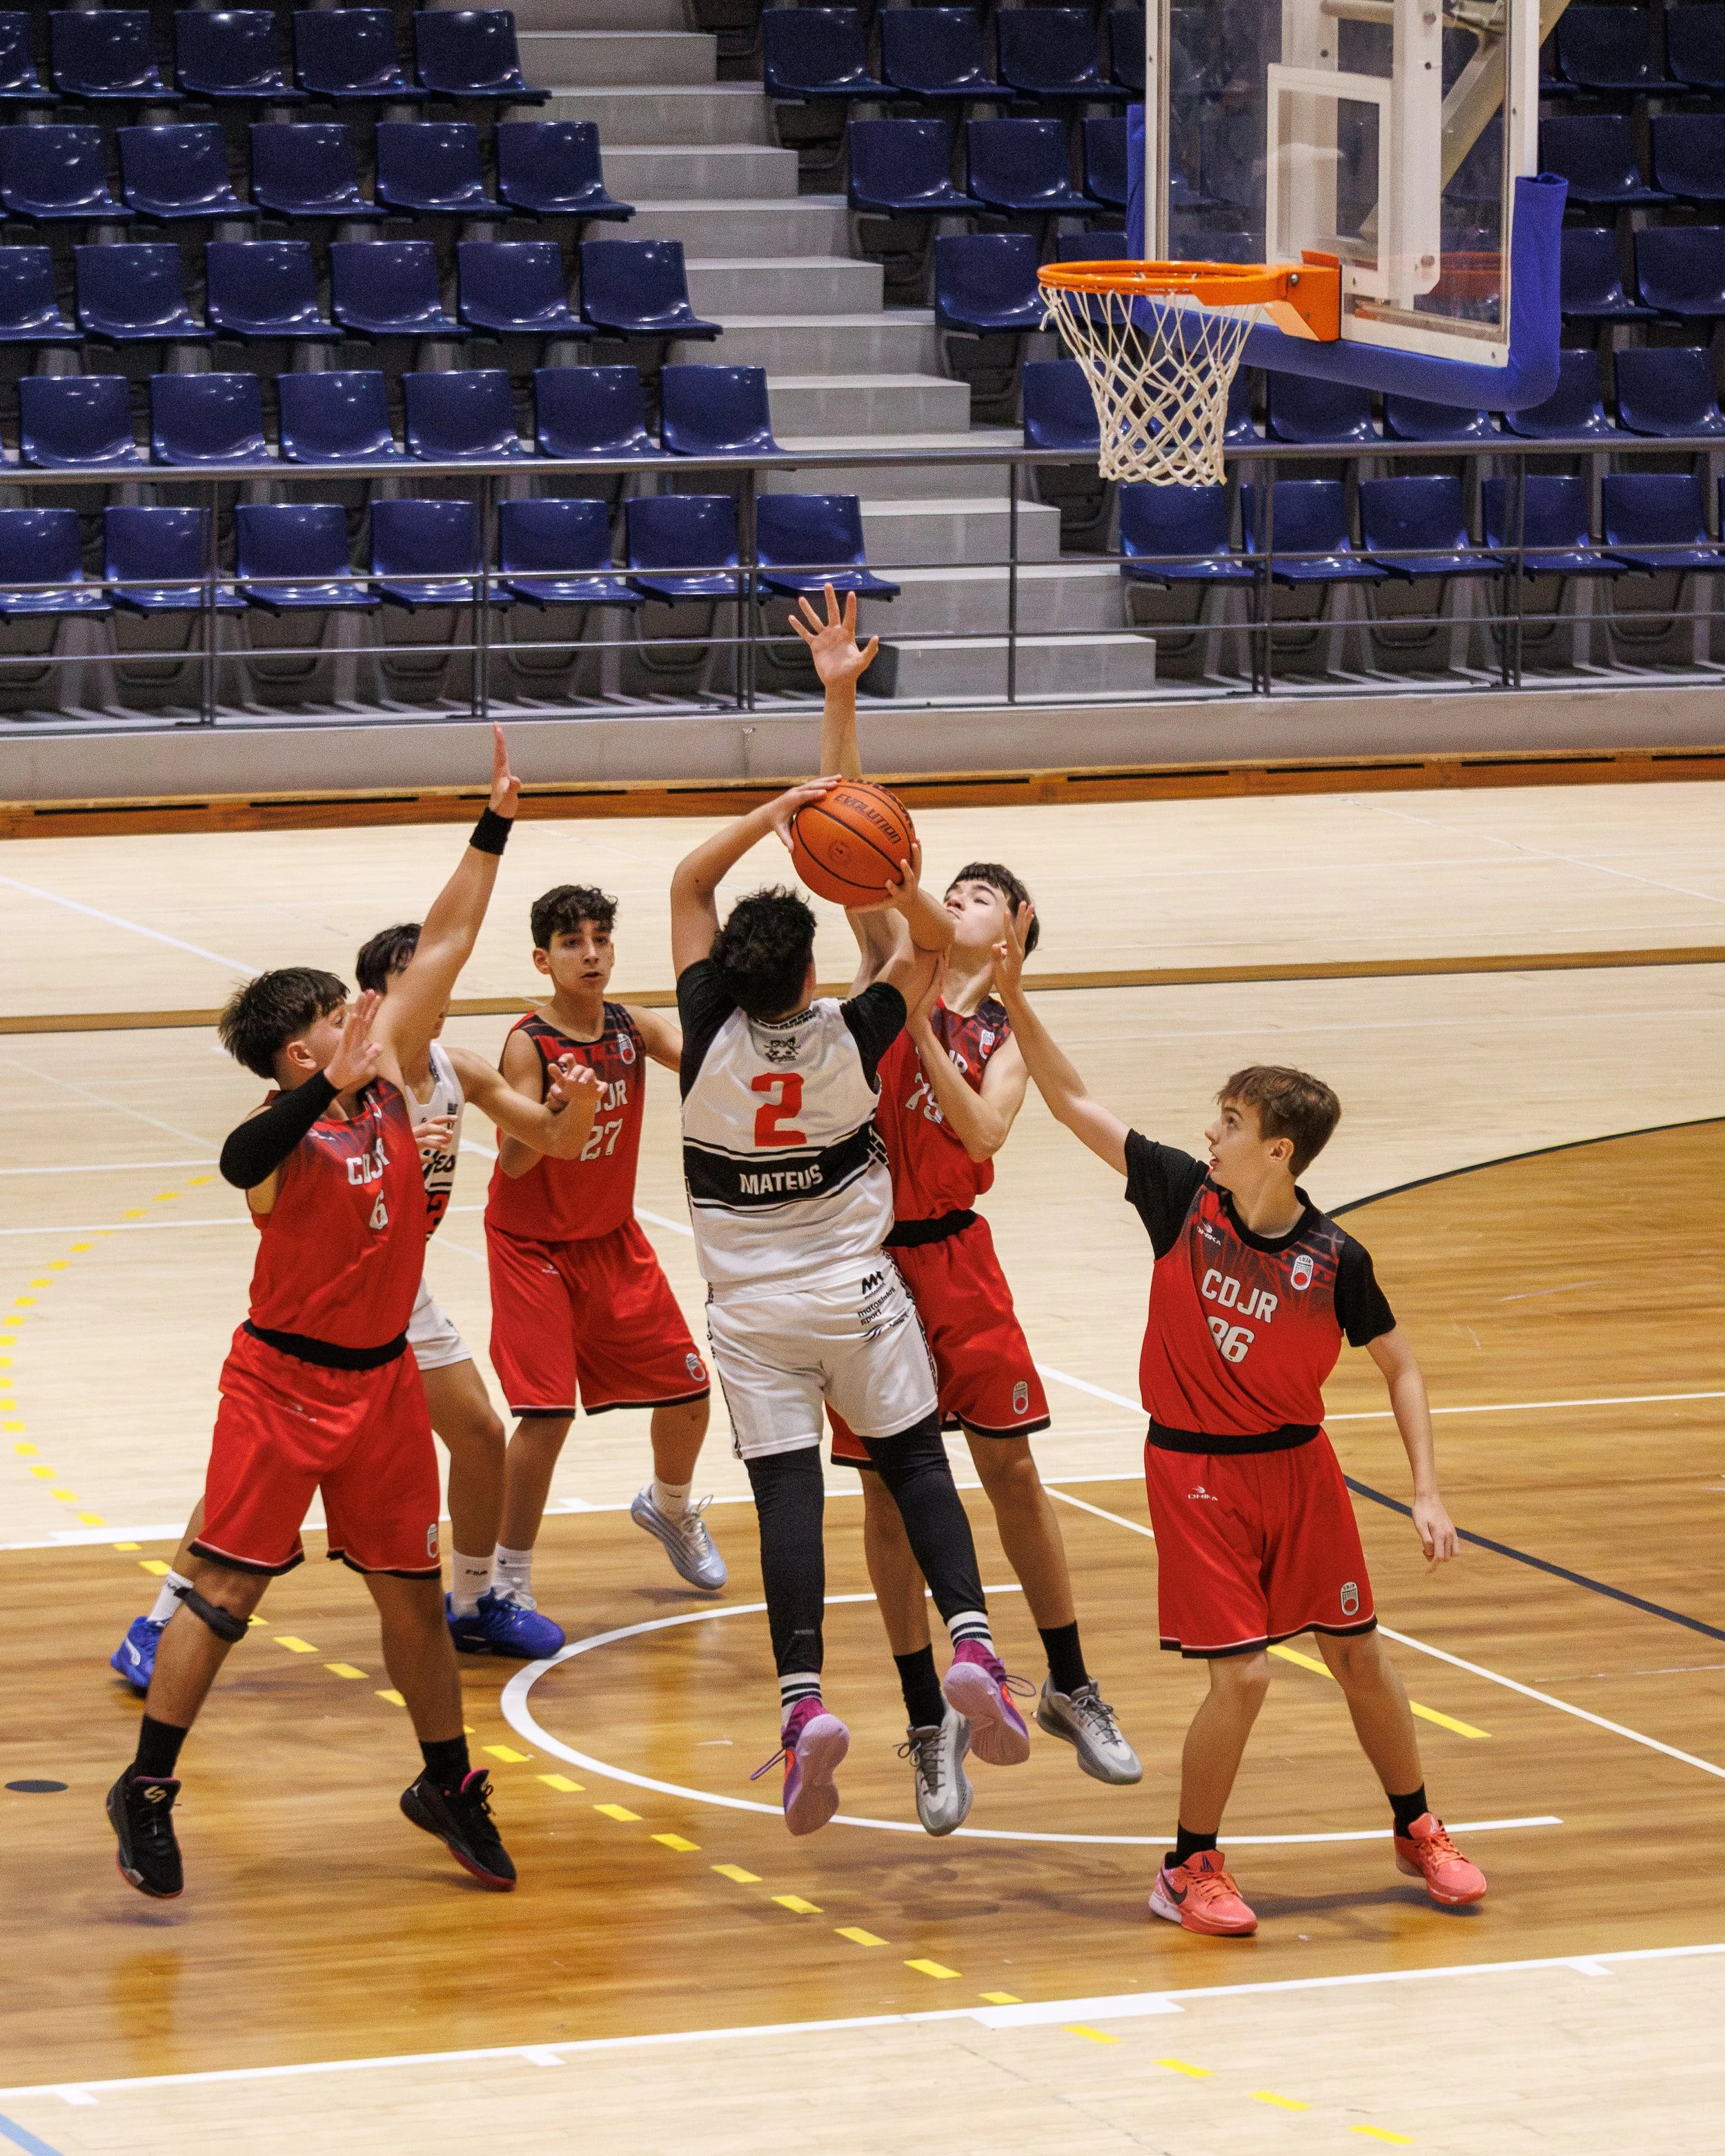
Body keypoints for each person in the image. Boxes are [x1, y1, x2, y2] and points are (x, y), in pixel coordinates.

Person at [992, 913, 1488, 1937]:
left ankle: (1418, 1826)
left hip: (1302, 1472)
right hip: (1196, 1473)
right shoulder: (1182, 1198)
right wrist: (1014, 1001)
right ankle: (1187, 1865)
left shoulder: (1333, 1259)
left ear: (1279, 1149)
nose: (1208, 1131)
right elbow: (1077, 1102)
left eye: (1228, 1120)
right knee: (1248, 1675)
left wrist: (1427, 1489)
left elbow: (1400, 1365)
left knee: (1360, 1655)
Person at [106, 731, 529, 1901]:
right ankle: (146, 1788)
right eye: (345, 1013)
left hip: (383, 1382)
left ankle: (443, 1779)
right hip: (282, 1384)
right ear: (304, 1048)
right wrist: (331, 1092)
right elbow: (240, 1151)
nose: (372, 1011)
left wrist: (491, 824)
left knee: (411, 1598)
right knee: (227, 1589)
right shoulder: (275, 1140)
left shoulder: (388, 1067)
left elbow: (443, 938)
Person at [790, 589, 1141, 1834]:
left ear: (1015, 931)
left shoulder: (991, 1033)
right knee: (886, 1496)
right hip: (867, 1269)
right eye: (961, 887)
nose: (967, 897)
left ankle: (1074, 1683)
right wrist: (841, 693)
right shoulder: (894, 961)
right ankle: (926, 1722)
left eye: (989, 895)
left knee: (1011, 1472)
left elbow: (990, 1129)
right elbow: (847, 825)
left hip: (960, 1261)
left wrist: (934, 1028)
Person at [669, 693, 1025, 1841]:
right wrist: (875, 850)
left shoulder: (706, 1033)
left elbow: (685, 885)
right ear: (815, 966)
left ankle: (805, 1705)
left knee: (787, 1496)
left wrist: (772, 811)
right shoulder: (854, 1034)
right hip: (858, 1291)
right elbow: (940, 943)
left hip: (752, 1310)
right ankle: (974, 1642)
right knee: (918, 1463)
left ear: (726, 973)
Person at [108, 927, 600, 1692]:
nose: (431, 998)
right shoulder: (347, 1089)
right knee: (251, 1481)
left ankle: (474, 1599)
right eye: (413, 986)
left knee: (478, 1434)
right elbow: (256, 1159)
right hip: (330, 1303)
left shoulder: (452, 1069)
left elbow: (551, 1142)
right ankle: (163, 1613)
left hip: (403, 1289)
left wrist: (577, 1109)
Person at [484, 883, 722, 1609]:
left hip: (610, 1240)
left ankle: (669, 1504)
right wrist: (561, 1113)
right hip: (533, 1249)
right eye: (571, 943)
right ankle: (507, 1578)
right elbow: (512, 1161)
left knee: (688, 1390)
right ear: (542, 958)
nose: (590, 954)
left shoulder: (631, 1027)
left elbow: (711, 1061)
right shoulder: (530, 1043)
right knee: (545, 1416)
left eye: (599, 940)